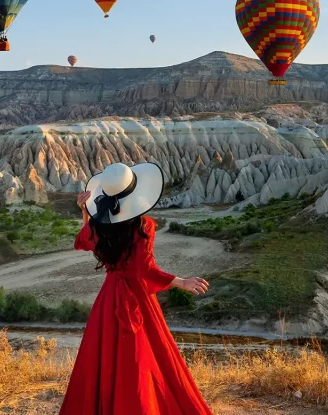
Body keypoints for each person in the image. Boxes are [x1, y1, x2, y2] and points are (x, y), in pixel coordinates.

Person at [59, 162, 213, 415]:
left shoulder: (100, 224)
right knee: (141, 358)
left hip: (109, 299)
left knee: (106, 357)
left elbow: (83, 240)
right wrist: (181, 282)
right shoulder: (144, 226)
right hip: (135, 298)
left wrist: (86, 213)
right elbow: (144, 270)